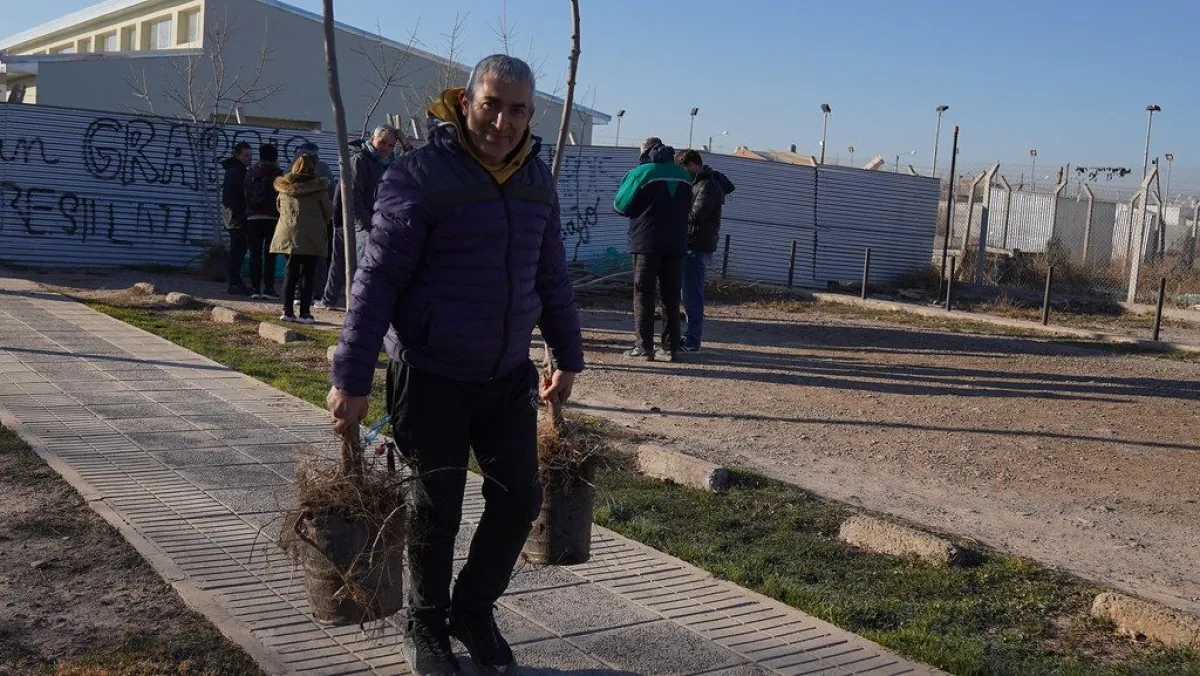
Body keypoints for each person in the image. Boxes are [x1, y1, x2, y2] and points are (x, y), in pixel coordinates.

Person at [326, 54, 583, 676]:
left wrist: (567, 355)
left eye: (517, 109)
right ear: (465, 102)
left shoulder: (535, 180)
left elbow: (549, 274)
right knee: (435, 510)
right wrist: (352, 379)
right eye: (492, 103)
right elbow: (377, 279)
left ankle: (472, 607)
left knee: (519, 500)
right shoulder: (419, 175)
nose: (502, 120)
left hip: (505, 375)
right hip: (430, 373)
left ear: (530, 115)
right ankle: (425, 622)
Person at [613, 137, 693, 362]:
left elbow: (620, 205)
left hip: (646, 243)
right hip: (676, 243)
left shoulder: (641, 173)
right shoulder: (684, 175)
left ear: (645, 152)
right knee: (670, 296)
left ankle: (644, 346)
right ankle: (670, 348)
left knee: (644, 294)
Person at [320, 125, 399, 310]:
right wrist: (365, 223)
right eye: (382, 142)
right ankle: (348, 302)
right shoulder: (361, 160)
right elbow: (353, 195)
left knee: (343, 262)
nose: (385, 148)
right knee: (352, 263)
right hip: (357, 222)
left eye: (390, 145)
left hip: (370, 221)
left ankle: (331, 299)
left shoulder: (388, 163)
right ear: (373, 139)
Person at [675, 149, 735, 353]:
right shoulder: (704, 183)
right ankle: (690, 337)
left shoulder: (707, 185)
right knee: (689, 294)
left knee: (692, 295)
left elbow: (695, 215)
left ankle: (692, 340)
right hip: (696, 244)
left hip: (696, 245)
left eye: (683, 169)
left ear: (692, 164)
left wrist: (676, 209)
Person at [270, 154, 332, 324]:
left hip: (288, 234)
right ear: (313, 168)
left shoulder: (284, 188)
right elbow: (328, 212)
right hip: (312, 236)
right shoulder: (319, 189)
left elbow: (278, 207)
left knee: (290, 272)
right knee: (308, 274)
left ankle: (287, 311)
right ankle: (305, 313)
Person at [294, 142, 336, 310]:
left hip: (296, 225)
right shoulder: (323, 171)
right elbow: (330, 199)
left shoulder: (292, 171)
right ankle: (317, 292)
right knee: (317, 261)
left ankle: (297, 295)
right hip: (319, 224)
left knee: (295, 262)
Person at [244, 143, 285, 300]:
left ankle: (255, 288)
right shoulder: (278, 174)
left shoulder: (251, 173)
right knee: (270, 254)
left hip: (253, 217)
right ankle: (268, 288)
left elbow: (245, 193)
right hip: (272, 218)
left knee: (255, 253)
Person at [220, 142, 253, 296]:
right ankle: (234, 282)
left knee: (237, 249)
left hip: (231, 216)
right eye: (246, 155)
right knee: (238, 251)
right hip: (237, 216)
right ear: (237, 155)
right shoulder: (239, 171)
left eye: (250, 155)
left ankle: (235, 282)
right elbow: (242, 194)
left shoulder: (232, 170)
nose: (249, 159)